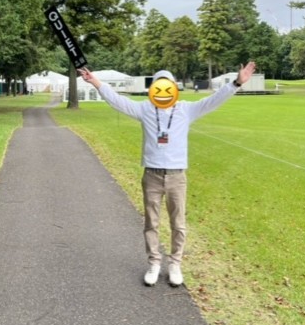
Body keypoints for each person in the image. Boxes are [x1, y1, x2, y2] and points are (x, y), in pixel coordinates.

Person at [78, 62, 256, 288]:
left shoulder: (185, 110)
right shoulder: (145, 109)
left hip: (176, 177)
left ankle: (175, 264)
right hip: (152, 175)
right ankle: (154, 263)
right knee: (151, 222)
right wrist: (95, 82)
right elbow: (118, 101)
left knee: (178, 224)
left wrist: (237, 83)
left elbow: (213, 100)